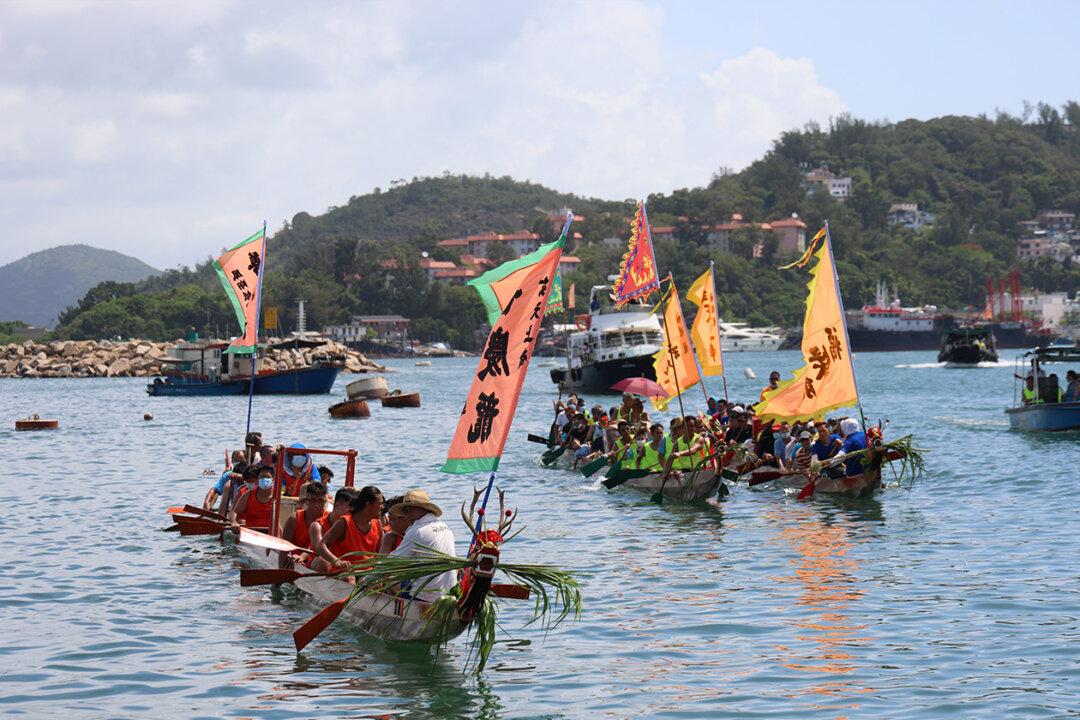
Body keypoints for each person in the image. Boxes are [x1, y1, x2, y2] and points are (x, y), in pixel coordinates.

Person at [390, 490, 456, 602]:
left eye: (412, 509)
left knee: (390, 581)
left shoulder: (417, 531)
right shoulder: (445, 527)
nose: (407, 514)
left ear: (424, 509)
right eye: (405, 510)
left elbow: (392, 562)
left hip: (423, 596)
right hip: (449, 593)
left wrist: (367, 578)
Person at [315, 485, 384, 578]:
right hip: (345, 571)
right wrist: (337, 561)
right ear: (368, 505)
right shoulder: (344, 522)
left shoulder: (377, 523)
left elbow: (381, 554)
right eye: (379, 503)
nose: (382, 507)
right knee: (350, 579)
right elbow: (320, 546)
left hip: (367, 574)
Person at [279, 482, 328, 568]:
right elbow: (284, 549)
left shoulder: (329, 519)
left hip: (317, 560)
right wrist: (280, 571)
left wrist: (303, 556)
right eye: (313, 500)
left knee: (323, 561)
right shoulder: (294, 519)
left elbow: (317, 546)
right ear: (306, 500)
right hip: (296, 561)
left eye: (320, 501)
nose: (316, 505)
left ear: (325, 502)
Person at [308, 487, 355, 569]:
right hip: (321, 563)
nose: (353, 512)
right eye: (350, 508)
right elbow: (319, 551)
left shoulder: (350, 523)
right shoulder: (317, 525)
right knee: (323, 561)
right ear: (337, 505)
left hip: (341, 564)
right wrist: (337, 562)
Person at [230, 466, 275, 531]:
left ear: (273, 479)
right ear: (257, 480)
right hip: (251, 533)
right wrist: (234, 522)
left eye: (267, 477)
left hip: (272, 534)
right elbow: (235, 513)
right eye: (262, 477)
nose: (264, 479)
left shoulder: (278, 497)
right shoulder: (248, 495)